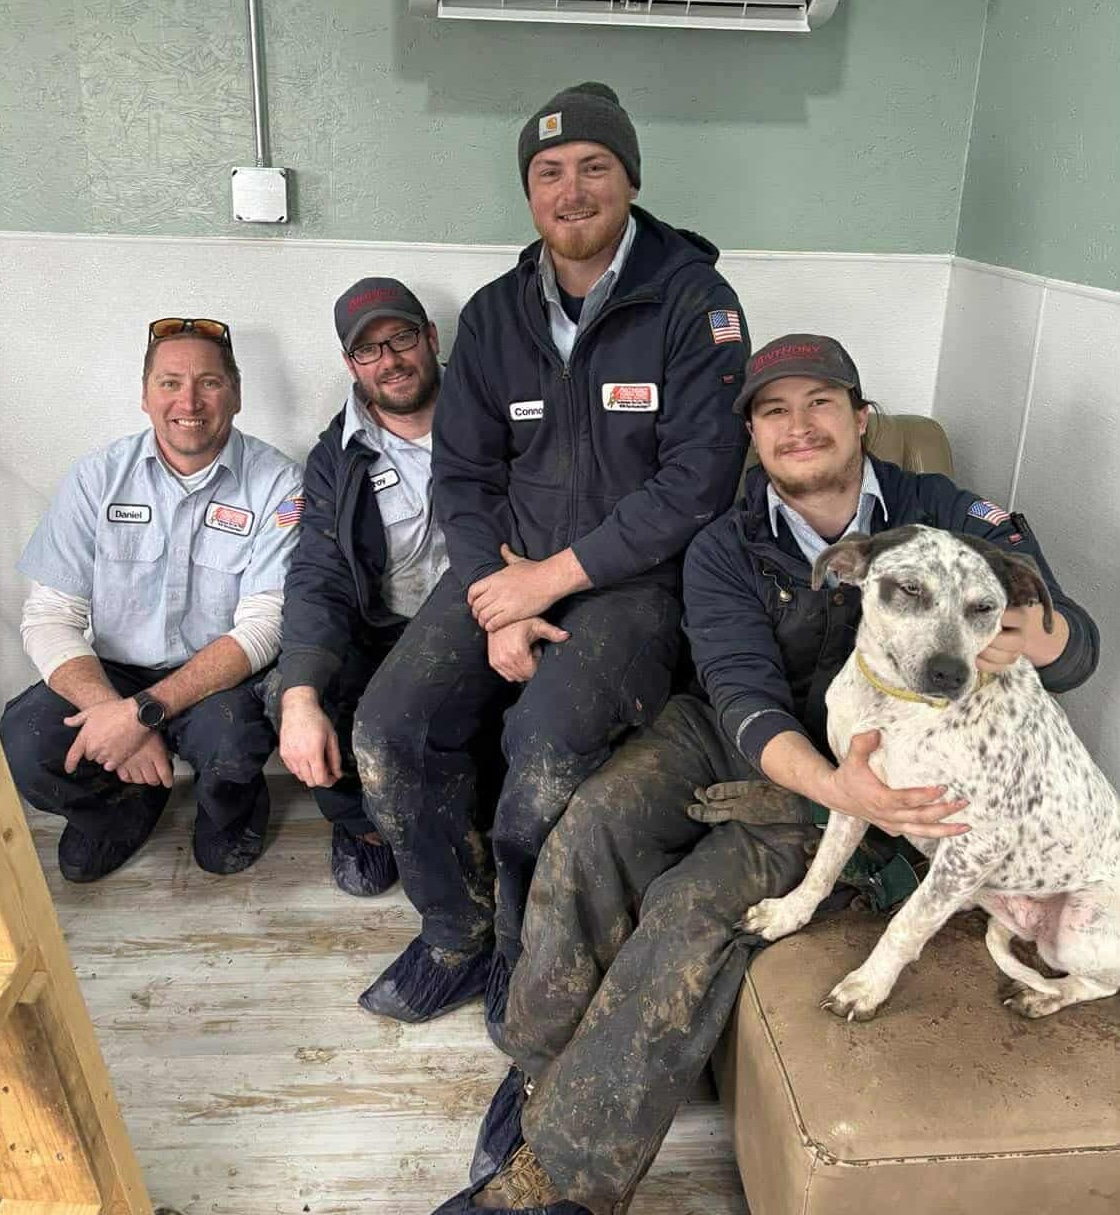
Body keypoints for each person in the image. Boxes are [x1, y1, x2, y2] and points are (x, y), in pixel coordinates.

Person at [431, 333, 1101, 1214]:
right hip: (746, 736)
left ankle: (564, 1178)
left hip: (872, 770)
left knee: (691, 909)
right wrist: (828, 783)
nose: (799, 425)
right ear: (753, 433)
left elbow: (1073, 643)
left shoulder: (942, 515)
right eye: (774, 410)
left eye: (821, 402)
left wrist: (1037, 635)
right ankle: (534, 1065)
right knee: (590, 826)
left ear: (863, 419)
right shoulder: (726, 541)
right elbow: (742, 692)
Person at [353, 82, 749, 1029]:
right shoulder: (495, 315)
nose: (572, 191)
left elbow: (698, 481)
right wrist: (497, 595)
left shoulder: (696, 302)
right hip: (505, 567)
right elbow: (462, 475)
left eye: (594, 167)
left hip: (634, 585)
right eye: (549, 172)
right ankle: (454, 929)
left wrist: (551, 579)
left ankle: (522, 949)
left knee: (544, 747)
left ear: (630, 178)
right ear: (529, 192)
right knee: (388, 726)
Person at [0, 318, 303, 882]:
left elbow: (266, 625)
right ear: (145, 396)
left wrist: (142, 714)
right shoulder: (96, 478)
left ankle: (230, 812)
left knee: (233, 740)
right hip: (114, 672)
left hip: (220, 675)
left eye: (209, 382)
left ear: (235, 394)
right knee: (26, 740)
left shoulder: (280, 485)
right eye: (169, 383)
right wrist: (109, 712)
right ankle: (122, 808)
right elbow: (49, 615)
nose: (188, 401)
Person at [260, 277, 451, 896]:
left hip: (478, 623)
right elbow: (318, 575)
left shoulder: (493, 416)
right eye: (368, 349)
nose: (389, 360)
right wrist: (300, 696)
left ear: (431, 337)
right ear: (351, 364)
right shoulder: (335, 457)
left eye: (401, 338)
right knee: (291, 693)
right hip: (384, 631)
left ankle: (458, 830)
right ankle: (362, 827)